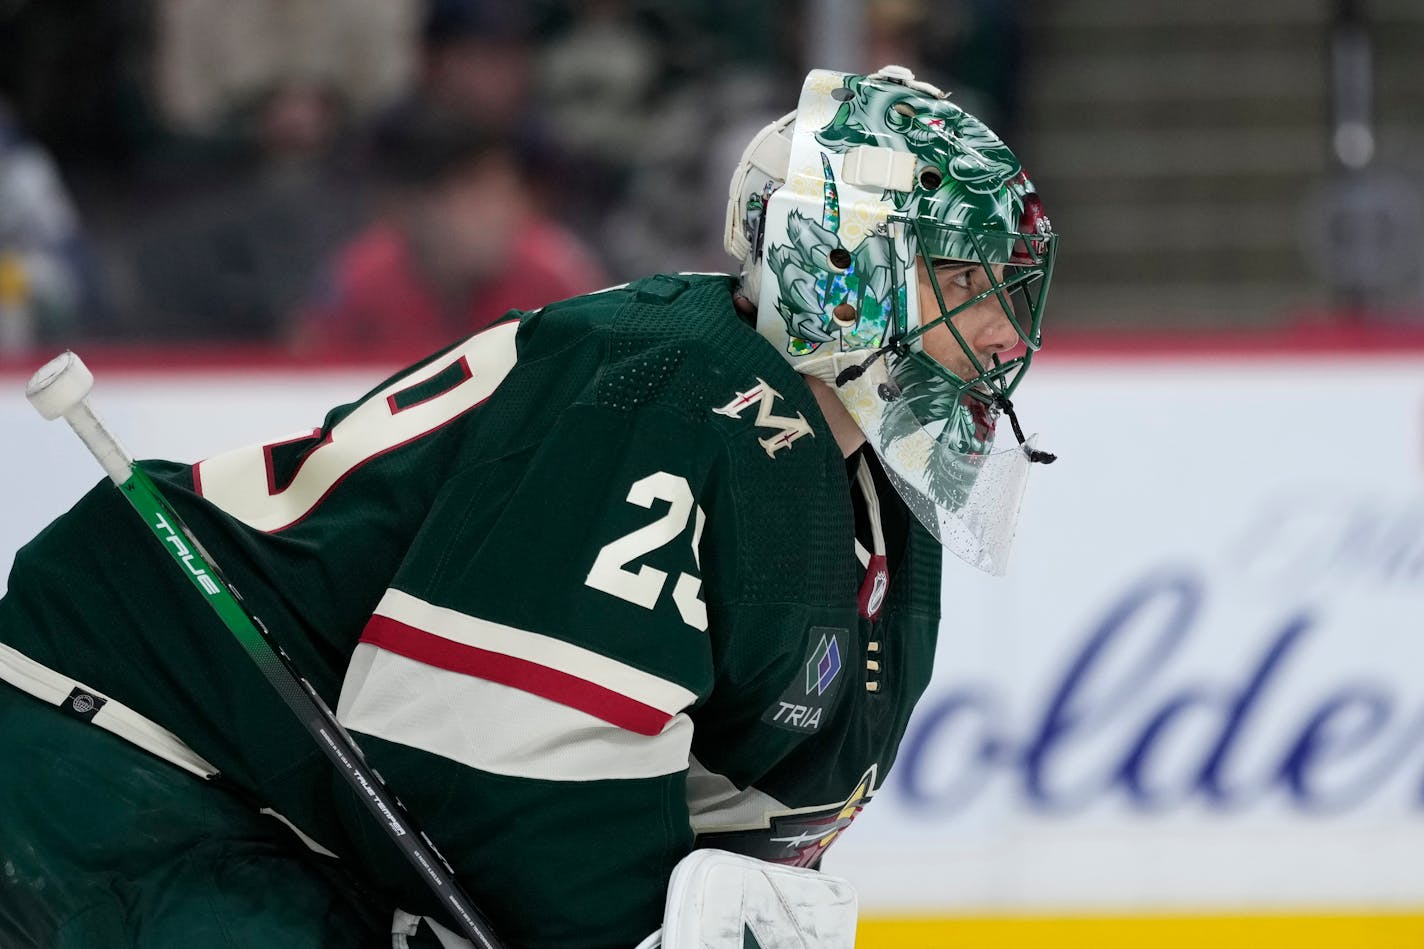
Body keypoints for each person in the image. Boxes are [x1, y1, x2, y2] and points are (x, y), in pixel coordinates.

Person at [0, 65, 1056, 948]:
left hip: (280, 811)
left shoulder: (863, 481)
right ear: (840, 263)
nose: (1006, 336)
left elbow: (756, 807)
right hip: (127, 749)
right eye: (965, 283)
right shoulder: (664, 393)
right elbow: (496, 771)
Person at [291, 102, 608, 360]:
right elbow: (301, 378)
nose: (501, 216)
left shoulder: (558, 274)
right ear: (415, 208)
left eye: (507, 195)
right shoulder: (358, 279)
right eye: (477, 199)